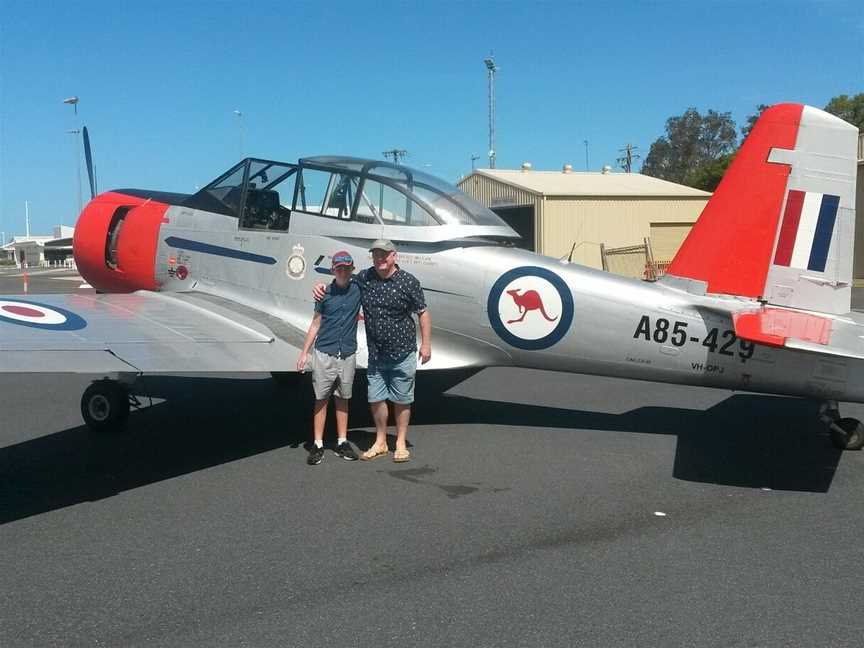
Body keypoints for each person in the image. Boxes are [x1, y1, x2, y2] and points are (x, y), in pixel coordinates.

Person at [314, 239, 431, 463]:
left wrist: (426, 344)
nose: (380, 259)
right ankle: (380, 442)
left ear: (394, 256)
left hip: (403, 351)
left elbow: (423, 312)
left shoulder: (408, 282)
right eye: (376, 254)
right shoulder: (365, 277)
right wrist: (320, 286)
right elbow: (342, 278)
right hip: (376, 354)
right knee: (376, 399)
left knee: (402, 399)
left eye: (384, 254)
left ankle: (400, 442)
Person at [297, 250, 361, 465]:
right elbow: (316, 323)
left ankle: (342, 441)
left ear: (352, 269)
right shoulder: (324, 293)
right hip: (324, 352)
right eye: (339, 267)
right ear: (333, 269)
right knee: (321, 399)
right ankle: (318, 444)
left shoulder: (358, 289)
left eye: (346, 267)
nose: (342, 271)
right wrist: (304, 353)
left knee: (343, 398)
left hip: (348, 353)